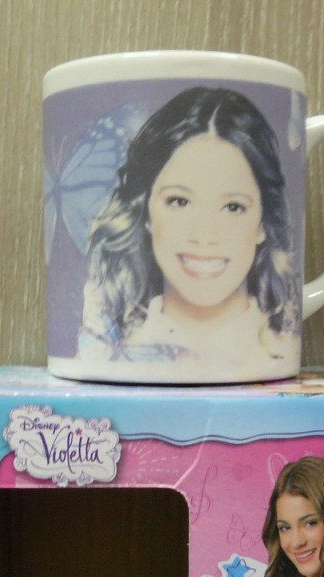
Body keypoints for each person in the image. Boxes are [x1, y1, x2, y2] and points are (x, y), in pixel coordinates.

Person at [78, 87, 299, 369]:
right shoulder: (104, 351)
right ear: (145, 211)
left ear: (263, 223)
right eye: (179, 201)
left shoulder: (284, 350)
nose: (204, 236)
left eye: (233, 207)